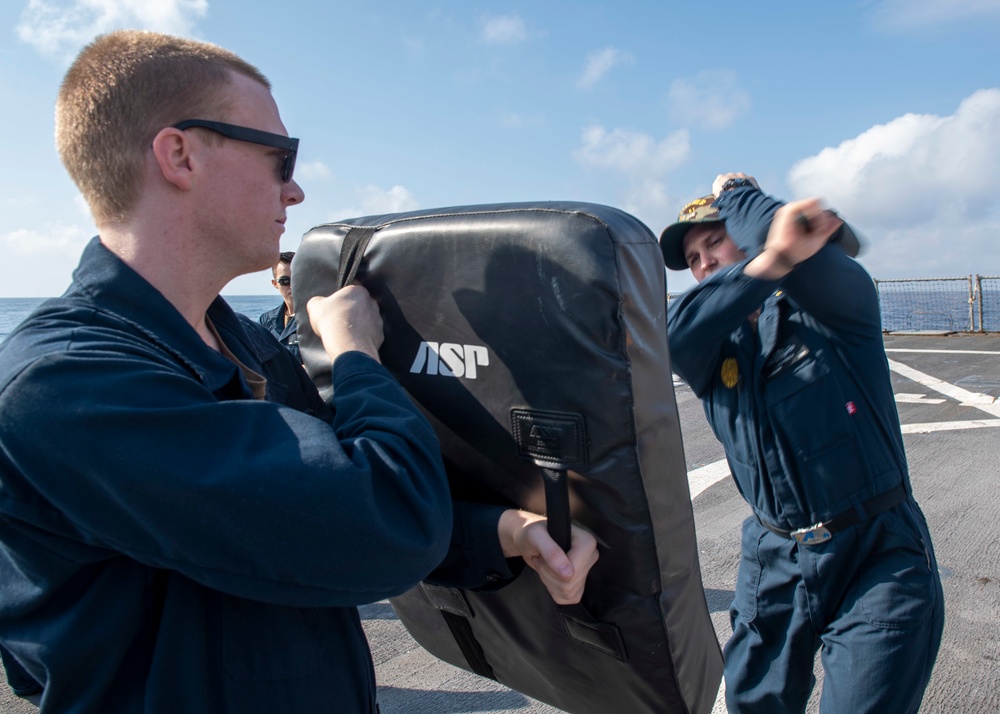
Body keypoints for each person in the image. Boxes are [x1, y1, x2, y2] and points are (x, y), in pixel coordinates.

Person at [0, 30, 597, 712]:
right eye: (280, 158)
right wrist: (352, 352)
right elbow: (385, 523)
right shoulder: (66, 387)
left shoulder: (247, 350)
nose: (297, 189)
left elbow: (315, 514)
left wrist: (508, 533)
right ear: (180, 154)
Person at [661, 174, 944, 713]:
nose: (703, 264)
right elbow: (668, 332)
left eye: (714, 241)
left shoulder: (836, 313)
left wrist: (738, 191)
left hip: (875, 553)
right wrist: (767, 263)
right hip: (774, 558)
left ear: (748, 235)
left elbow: (792, 238)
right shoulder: (710, 347)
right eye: (693, 258)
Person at [259, 251, 301, 362]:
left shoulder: (319, 317)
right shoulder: (266, 320)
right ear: (275, 284)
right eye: (285, 281)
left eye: (297, 279)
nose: (291, 285)